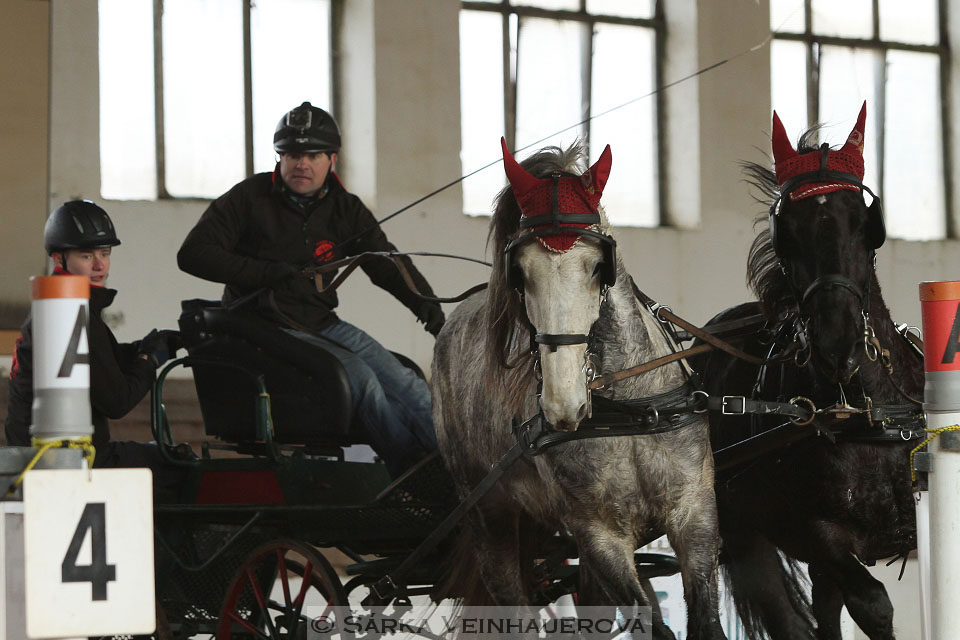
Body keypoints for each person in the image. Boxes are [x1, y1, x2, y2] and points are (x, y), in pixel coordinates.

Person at [177, 101, 444, 477]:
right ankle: (415, 473)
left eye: (313, 154)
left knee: (409, 384)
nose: (301, 163)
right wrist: (266, 273)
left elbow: (385, 263)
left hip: (320, 322)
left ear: (331, 159)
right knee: (362, 380)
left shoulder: (345, 209)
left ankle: (457, 469)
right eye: (292, 154)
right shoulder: (248, 198)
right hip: (260, 326)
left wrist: (429, 309)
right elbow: (192, 254)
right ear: (280, 157)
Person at [4, 200, 180, 474]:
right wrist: (149, 361)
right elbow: (117, 401)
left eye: (105, 253)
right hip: (68, 458)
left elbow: (96, 361)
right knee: (177, 465)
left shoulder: (58, 307)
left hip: (45, 454)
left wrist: (140, 350)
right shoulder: (72, 312)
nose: (99, 265)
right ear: (58, 258)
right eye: (87, 256)